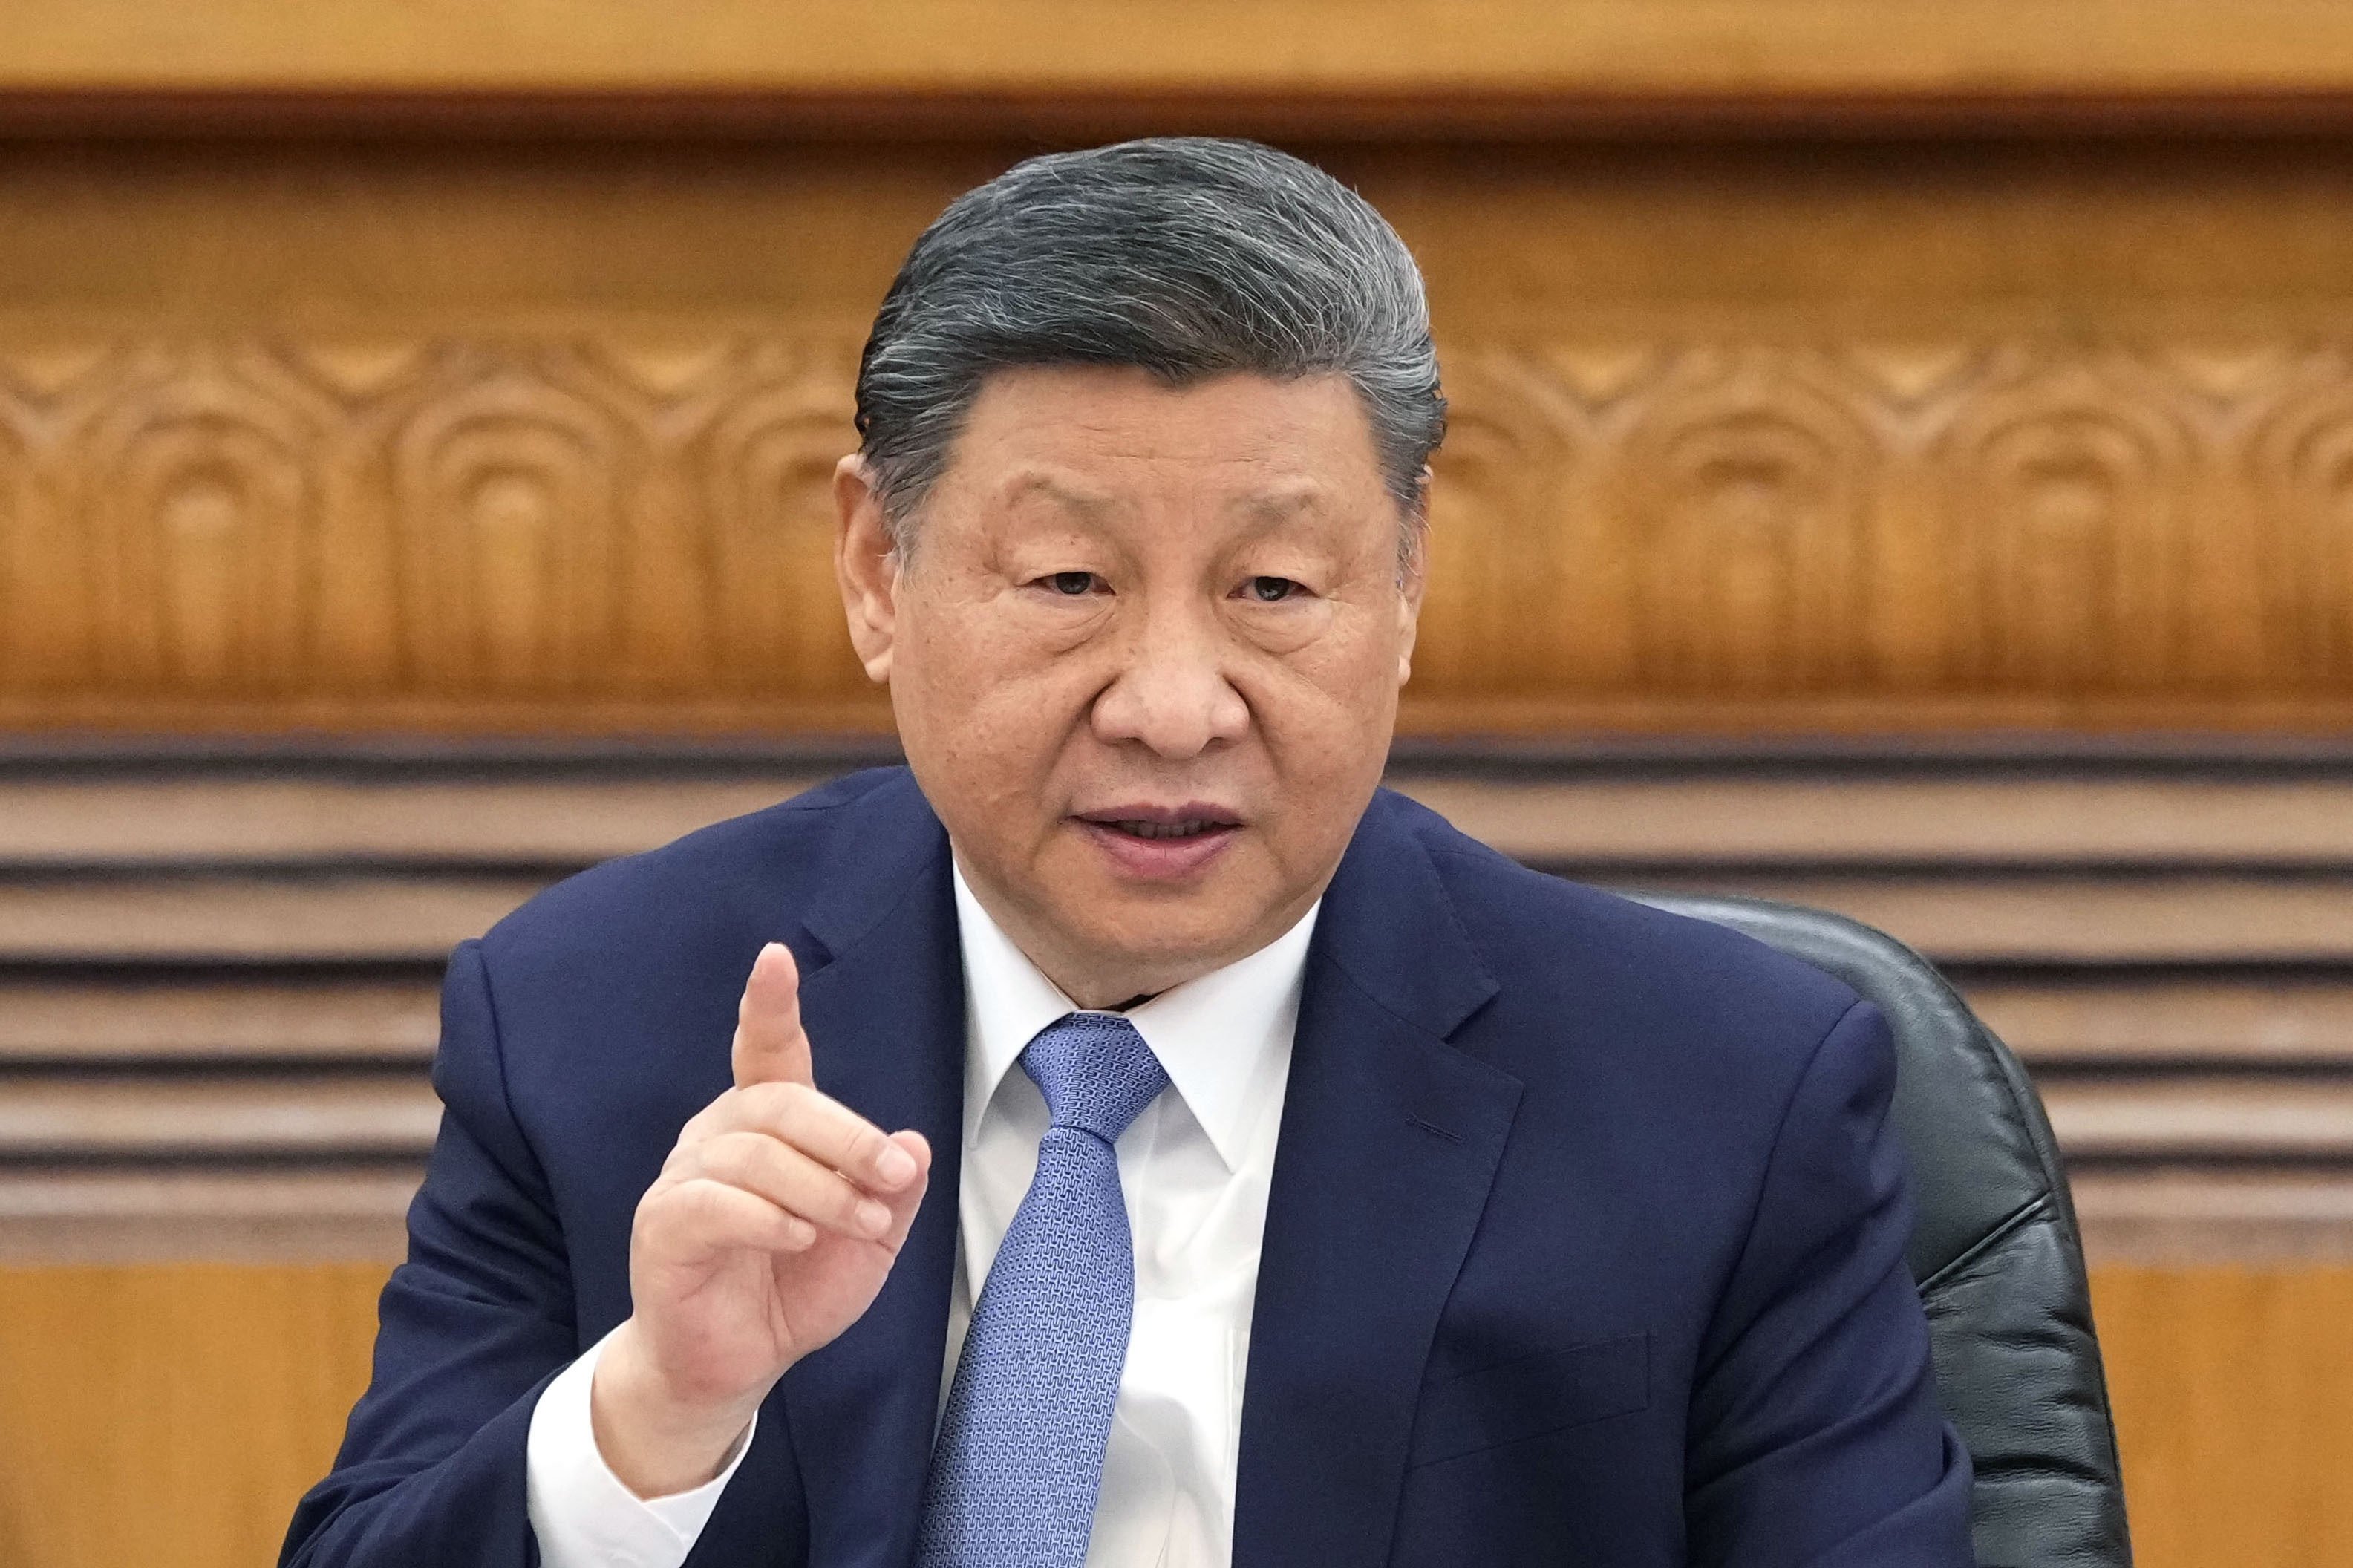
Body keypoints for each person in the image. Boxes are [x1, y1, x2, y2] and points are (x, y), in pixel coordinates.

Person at [282, 137, 1974, 1568]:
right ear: (879, 571)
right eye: (1069, 585)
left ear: (1404, 585)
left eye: (1275, 592)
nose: (1174, 708)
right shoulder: (594, 1022)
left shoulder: (1720, 1094)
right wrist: (656, 1410)